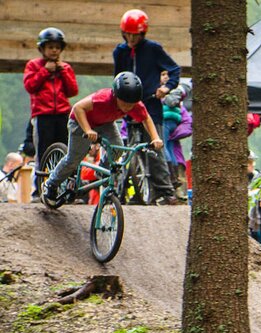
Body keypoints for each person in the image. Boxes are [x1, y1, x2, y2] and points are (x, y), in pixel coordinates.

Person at [43, 72, 163, 203]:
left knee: (118, 148)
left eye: (131, 104)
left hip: (105, 123)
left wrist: (155, 137)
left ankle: (101, 171)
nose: (128, 107)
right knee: (74, 158)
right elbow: (78, 108)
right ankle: (51, 183)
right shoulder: (103, 99)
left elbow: (146, 118)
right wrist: (88, 130)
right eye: (124, 103)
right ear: (116, 96)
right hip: (80, 121)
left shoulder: (135, 105)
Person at [114, 9, 180, 205]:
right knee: (130, 150)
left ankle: (165, 192)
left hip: (151, 105)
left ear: (142, 34)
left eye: (136, 35)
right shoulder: (120, 52)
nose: (132, 39)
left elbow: (174, 70)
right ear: (123, 33)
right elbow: (117, 77)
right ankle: (128, 191)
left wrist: (166, 88)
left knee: (155, 148)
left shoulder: (153, 49)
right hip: (128, 105)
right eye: (128, 34)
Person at [23, 27, 79, 202]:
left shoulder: (66, 68)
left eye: (57, 47)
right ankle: (39, 191)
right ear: (42, 49)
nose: (54, 50)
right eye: (50, 47)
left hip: (62, 115)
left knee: (66, 152)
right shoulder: (33, 65)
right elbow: (30, 86)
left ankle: (68, 191)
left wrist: (63, 72)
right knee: (43, 152)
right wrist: (45, 71)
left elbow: (72, 90)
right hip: (43, 115)